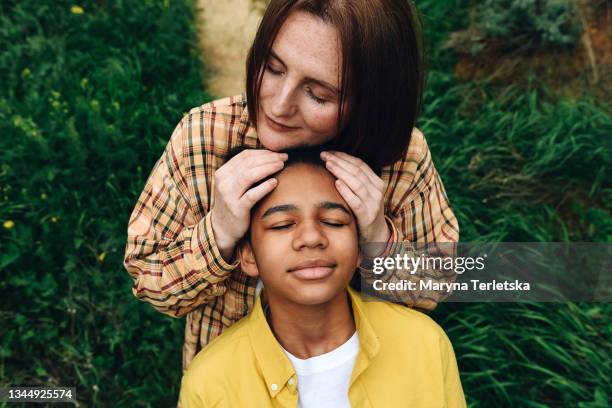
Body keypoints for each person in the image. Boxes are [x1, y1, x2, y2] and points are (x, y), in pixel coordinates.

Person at [124, 0, 459, 374]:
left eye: (318, 94)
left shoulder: (404, 160)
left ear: (372, 101)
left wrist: (378, 238)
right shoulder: (203, 137)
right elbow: (151, 281)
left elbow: (437, 284)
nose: (279, 106)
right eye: (273, 68)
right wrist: (217, 233)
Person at [179, 147, 466, 407]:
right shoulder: (208, 382)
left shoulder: (424, 344)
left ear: (359, 251)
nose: (312, 237)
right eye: (281, 225)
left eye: (333, 222)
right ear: (249, 256)